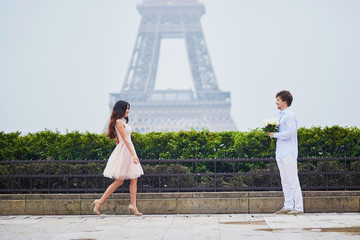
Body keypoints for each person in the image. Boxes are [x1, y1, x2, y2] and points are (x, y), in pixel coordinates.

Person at [91, 100, 144, 216]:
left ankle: (133, 205)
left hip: (127, 150)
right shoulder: (119, 122)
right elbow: (124, 139)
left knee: (134, 178)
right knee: (119, 180)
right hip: (127, 151)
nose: (128, 111)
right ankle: (99, 202)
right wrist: (133, 155)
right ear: (121, 109)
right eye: (127, 108)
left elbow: (118, 141)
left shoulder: (120, 122)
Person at [269, 90, 304, 215]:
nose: (276, 102)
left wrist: (275, 135)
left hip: (288, 152)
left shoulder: (290, 115)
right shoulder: (282, 115)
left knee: (292, 180)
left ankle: (299, 207)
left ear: (285, 101)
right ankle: (288, 205)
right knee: (285, 180)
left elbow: (291, 132)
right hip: (281, 152)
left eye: (278, 100)